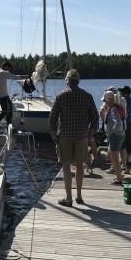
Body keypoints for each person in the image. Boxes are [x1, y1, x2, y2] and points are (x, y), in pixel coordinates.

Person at [49, 69, 99, 207]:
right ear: (78, 81)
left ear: (67, 81)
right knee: (80, 166)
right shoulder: (87, 96)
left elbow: (52, 118)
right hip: (82, 137)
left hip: (64, 136)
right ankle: (79, 196)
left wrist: (53, 134)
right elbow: (95, 118)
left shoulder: (60, 96)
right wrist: (89, 134)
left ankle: (69, 198)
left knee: (66, 166)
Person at [102, 90, 126, 185]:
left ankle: (118, 179)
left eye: (105, 100)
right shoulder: (118, 107)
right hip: (120, 135)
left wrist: (111, 132)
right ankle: (119, 176)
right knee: (113, 157)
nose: (104, 102)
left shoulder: (113, 109)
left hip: (115, 136)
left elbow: (118, 123)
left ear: (109, 100)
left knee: (115, 159)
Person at [0, 61, 21, 129]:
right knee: (6, 111)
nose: (9, 71)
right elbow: (15, 77)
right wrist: (26, 76)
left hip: (0, 95)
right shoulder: (3, 72)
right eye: (9, 69)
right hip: (4, 96)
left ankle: (7, 123)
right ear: (6, 67)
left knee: (7, 109)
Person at [118, 85, 131, 168]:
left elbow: (125, 113)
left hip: (126, 122)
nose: (120, 93)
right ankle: (128, 158)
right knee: (127, 139)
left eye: (121, 91)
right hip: (128, 121)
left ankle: (128, 159)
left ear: (125, 93)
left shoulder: (127, 100)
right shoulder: (128, 99)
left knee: (125, 140)